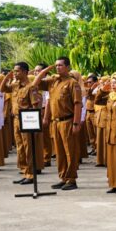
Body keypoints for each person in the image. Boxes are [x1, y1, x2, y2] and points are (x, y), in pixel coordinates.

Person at [34, 57, 83, 191]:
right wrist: (45, 71)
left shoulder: (73, 83)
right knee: (59, 152)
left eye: (60, 65)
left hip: (68, 121)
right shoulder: (52, 82)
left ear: (67, 67)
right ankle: (63, 177)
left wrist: (76, 123)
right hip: (55, 122)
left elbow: (78, 104)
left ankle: (71, 179)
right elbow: (35, 84)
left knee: (70, 152)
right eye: (56, 66)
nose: (57, 68)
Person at [0, 62, 44, 185]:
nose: (15, 73)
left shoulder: (31, 87)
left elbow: (35, 106)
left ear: (25, 72)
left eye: (17, 71)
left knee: (28, 147)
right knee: (20, 147)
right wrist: (7, 77)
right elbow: (3, 89)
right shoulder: (15, 86)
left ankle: (31, 174)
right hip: (16, 120)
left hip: (27, 119)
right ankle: (25, 172)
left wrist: (33, 122)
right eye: (14, 71)